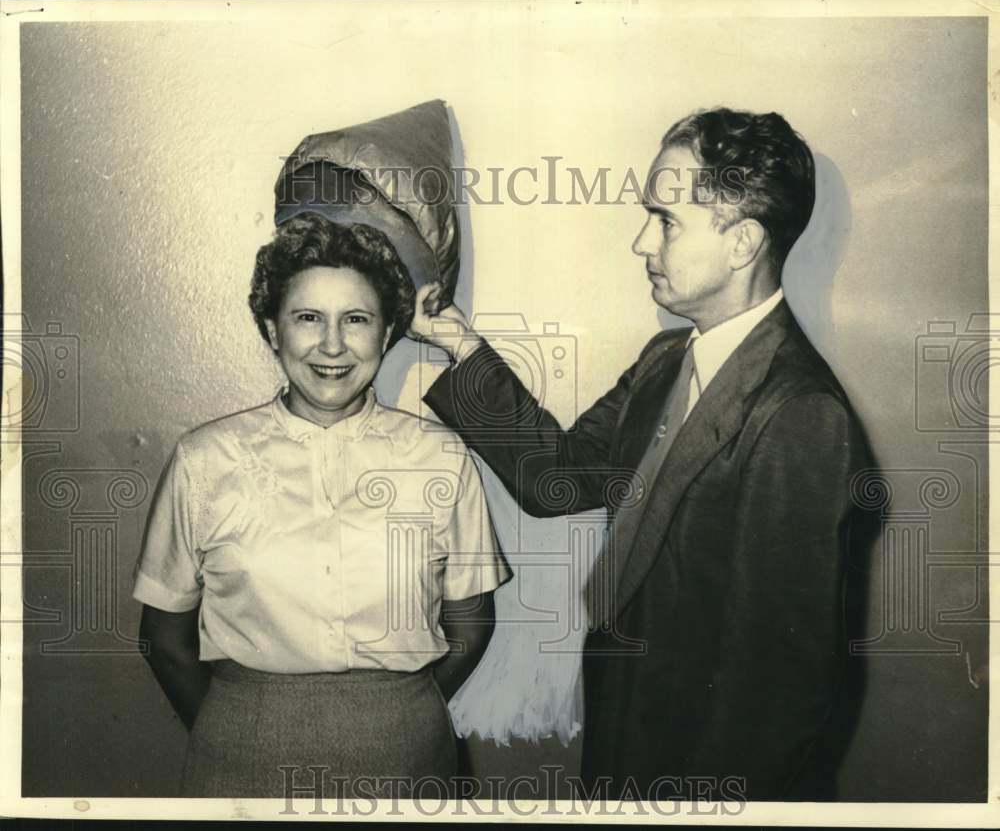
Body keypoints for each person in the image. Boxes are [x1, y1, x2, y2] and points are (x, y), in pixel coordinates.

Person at [410, 107, 867, 801]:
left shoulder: (802, 413)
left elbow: (779, 696)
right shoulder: (665, 361)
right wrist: (461, 347)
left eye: (665, 219)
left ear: (742, 240)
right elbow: (555, 477)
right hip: (627, 745)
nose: (639, 242)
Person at [133, 212, 511, 798]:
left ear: (386, 334)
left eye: (356, 320)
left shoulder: (440, 457)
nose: (332, 346)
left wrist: (397, 708)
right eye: (308, 318)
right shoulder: (204, 460)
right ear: (271, 328)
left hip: (408, 752)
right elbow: (164, 635)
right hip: (243, 752)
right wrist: (238, 726)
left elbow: (471, 622)